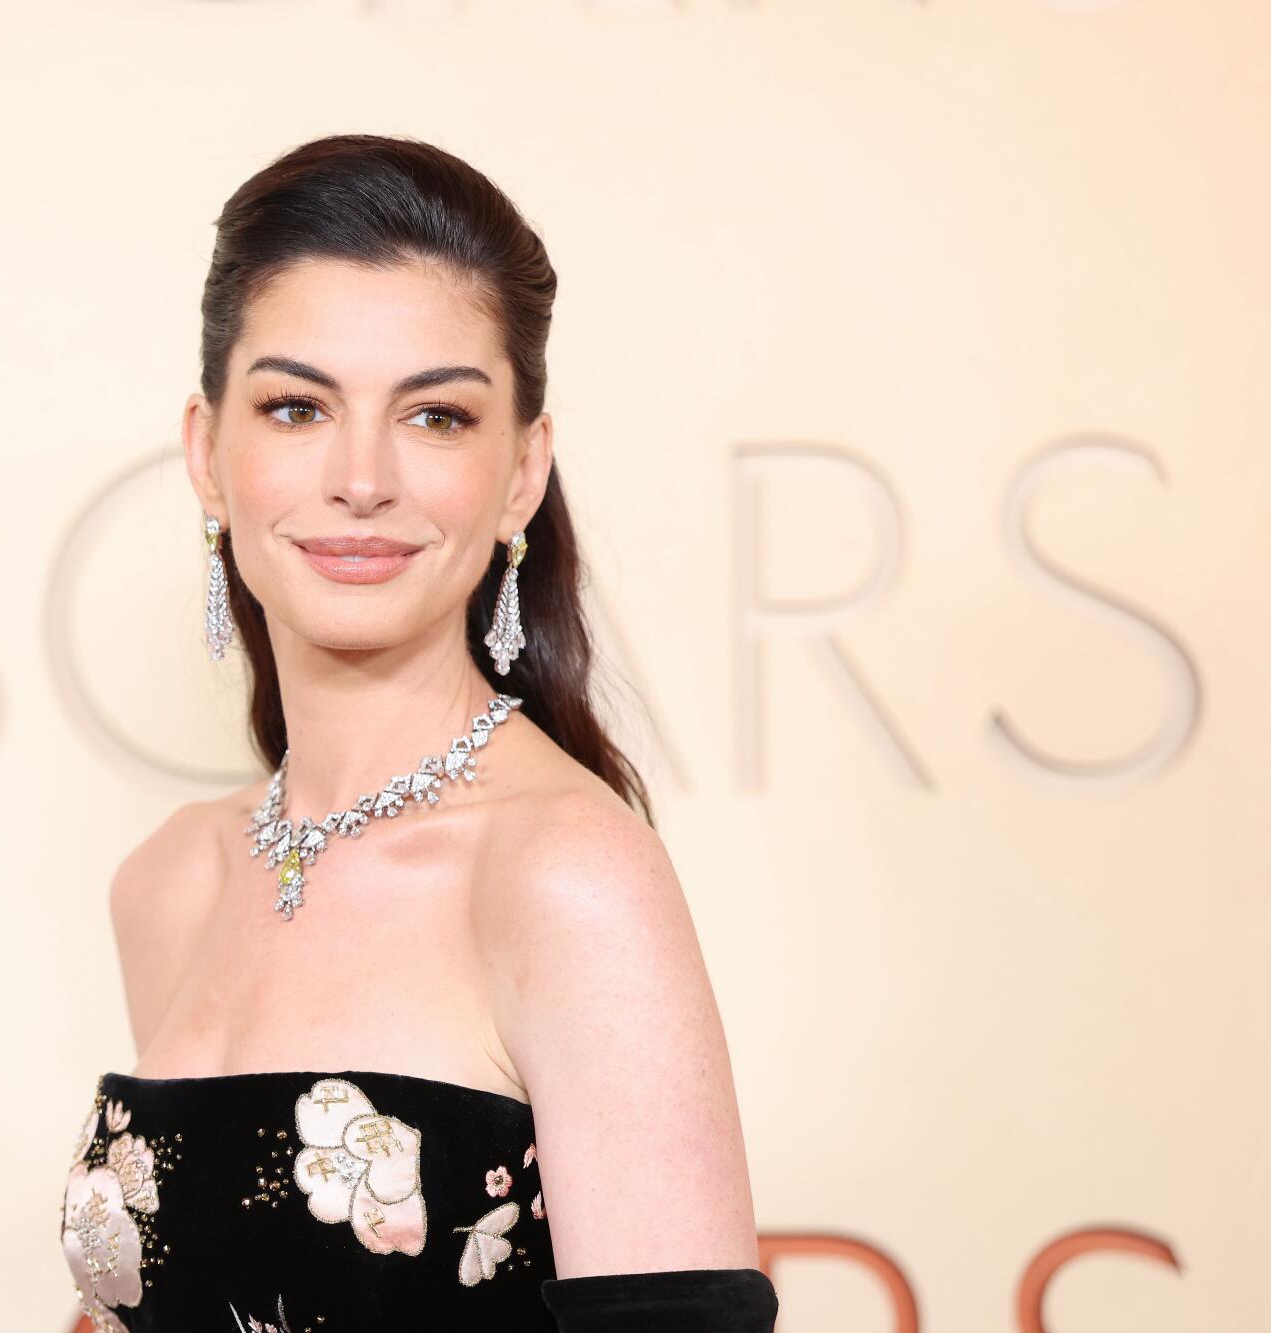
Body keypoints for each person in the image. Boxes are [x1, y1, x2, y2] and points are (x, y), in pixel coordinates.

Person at [58, 133, 778, 1333]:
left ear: (519, 473)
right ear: (207, 452)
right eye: (295, 407)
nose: (359, 478)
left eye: (435, 418)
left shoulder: (564, 875)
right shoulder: (172, 882)